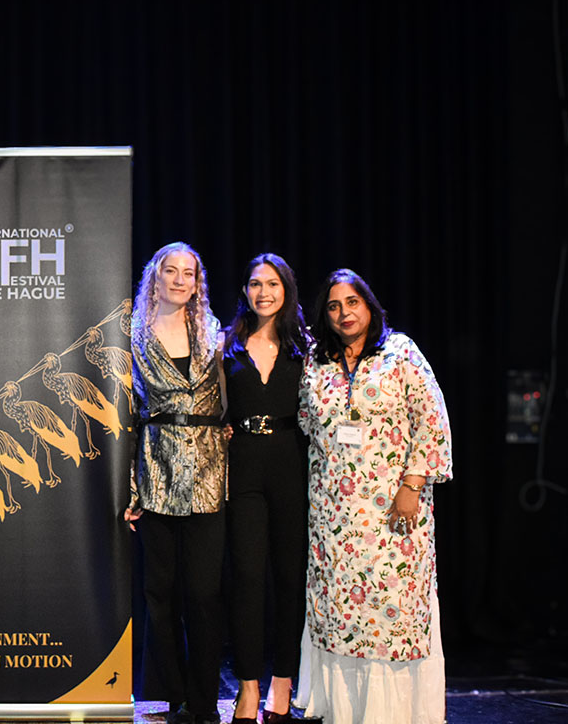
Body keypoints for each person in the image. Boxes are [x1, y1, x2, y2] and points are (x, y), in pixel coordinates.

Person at [295, 269, 452, 724]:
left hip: (392, 508)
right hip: (333, 514)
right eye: (333, 306)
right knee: (339, 610)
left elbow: (432, 420)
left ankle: (391, 712)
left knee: (391, 608)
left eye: (352, 302)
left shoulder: (401, 353)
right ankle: (343, 708)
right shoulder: (317, 361)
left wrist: (413, 485)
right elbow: (306, 421)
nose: (344, 313)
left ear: (369, 305)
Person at [125, 242, 228, 724]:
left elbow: (229, 395)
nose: (181, 280)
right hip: (157, 471)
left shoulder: (212, 330)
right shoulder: (133, 335)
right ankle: (171, 696)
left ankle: (204, 702)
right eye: (172, 271)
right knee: (160, 593)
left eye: (190, 273)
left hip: (208, 474)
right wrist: (130, 489)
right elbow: (125, 414)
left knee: (203, 594)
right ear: (156, 277)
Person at [221, 254, 311, 723]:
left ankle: (282, 683)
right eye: (255, 284)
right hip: (244, 467)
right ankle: (248, 687)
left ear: (286, 290)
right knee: (247, 578)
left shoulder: (306, 347)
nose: (263, 292)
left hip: (291, 465)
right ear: (245, 291)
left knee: (289, 579)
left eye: (272, 284)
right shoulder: (227, 344)